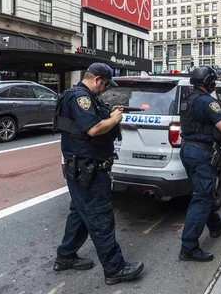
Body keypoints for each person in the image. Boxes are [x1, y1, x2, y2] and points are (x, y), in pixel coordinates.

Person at [53, 62, 143, 286]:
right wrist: (114, 120)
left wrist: (110, 113)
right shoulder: (80, 98)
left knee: (79, 213)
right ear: (98, 80)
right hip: (88, 170)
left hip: (80, 168)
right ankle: (115, 268)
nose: (104, 90)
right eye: (105, 86)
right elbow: (93, 129)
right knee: (100, 216)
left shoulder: (81, 97)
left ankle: (66, 256)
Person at [178, 66, 221, 262]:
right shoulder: (208, 102)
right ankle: (188, 248)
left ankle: (215, 224)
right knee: (202, 197)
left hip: (188, 150)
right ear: (209, 82)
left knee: (201, 192)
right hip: (202, 153)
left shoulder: (187, 100)